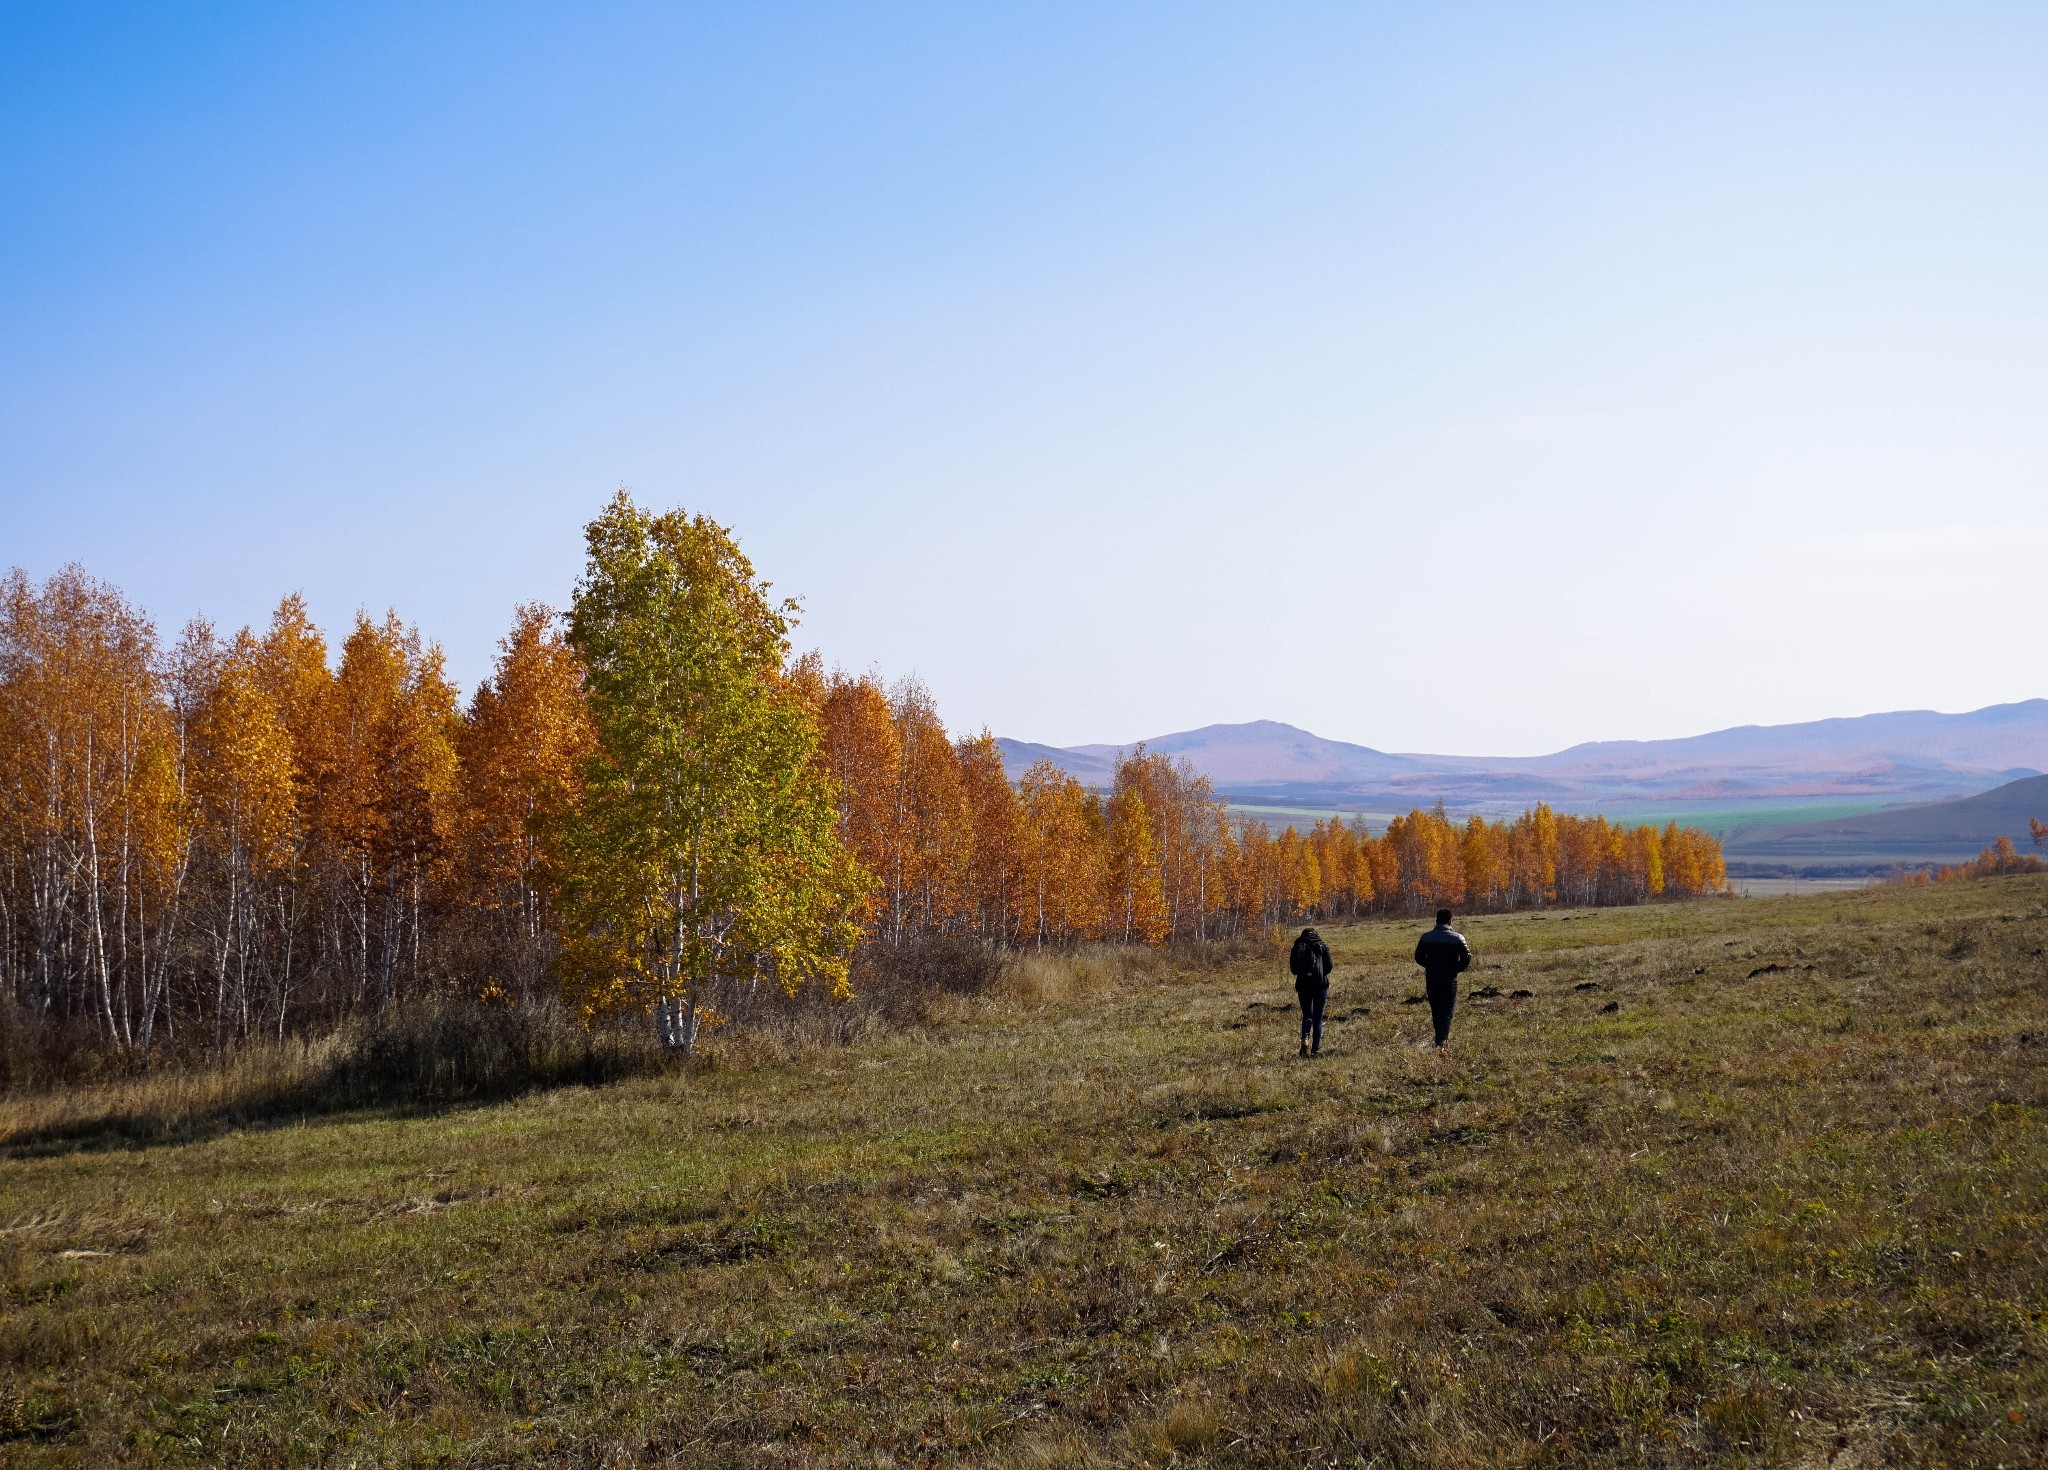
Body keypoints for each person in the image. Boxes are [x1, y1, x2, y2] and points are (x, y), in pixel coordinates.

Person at [1413, 908, 1472, 1048]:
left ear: (1436, 920)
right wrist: (1457, 968)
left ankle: (1439, 1036)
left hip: (1432, 977)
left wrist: (1430, 966)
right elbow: (1467, 956)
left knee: (1436, 1007)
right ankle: (1442, 1039)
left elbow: (1418, 957)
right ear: (1450, 921)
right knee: (1447, 1008)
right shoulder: (1458, 938)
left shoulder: (1426, 937)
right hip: (1449, 978)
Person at [1289, 925, 1333, 1057]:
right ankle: (1316, 1050)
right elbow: (1330, 966)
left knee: (1307, 1014)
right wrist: (1320, 974)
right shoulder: (1322, 945)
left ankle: (1305, 1038)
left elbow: (1293, 969)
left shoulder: (1297, 947)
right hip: (1320, 985)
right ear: (1316, 934)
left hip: (1303, 985)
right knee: (1318, 1018)